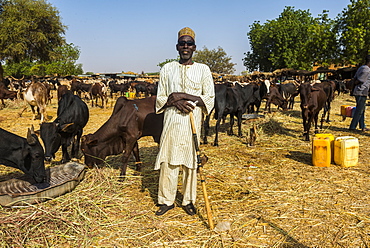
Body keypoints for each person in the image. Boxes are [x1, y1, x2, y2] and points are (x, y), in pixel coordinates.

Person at [154, 27, 215, 216]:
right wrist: (174, 100)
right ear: (177, 47)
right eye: (182, 43)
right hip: (172, 122)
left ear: (194, 47)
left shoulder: (203, 69)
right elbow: (161, 98)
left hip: (192, 122)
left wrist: (182, 96)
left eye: (189, 43)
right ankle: (166, 201)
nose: (185, 46)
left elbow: (209, 98)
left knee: (191, 162)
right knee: (169, 162)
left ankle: (188, 201)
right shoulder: (168, 69)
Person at [349, 55, 370, 131]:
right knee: (359, 110)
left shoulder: (361, 67)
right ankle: (352, 127)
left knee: (361, 109)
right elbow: (360, 80)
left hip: (359, 91)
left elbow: (355, 78)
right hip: (361, 91)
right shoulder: (366, 70)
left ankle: (362, 126)